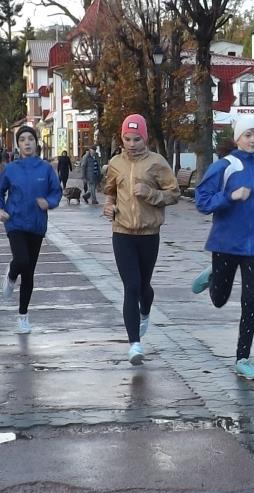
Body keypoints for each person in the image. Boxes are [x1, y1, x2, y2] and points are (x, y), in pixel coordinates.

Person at [192, 115, 254, 380]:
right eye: (247, 135)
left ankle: (243, 358)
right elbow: (202, 201)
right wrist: (230, 196)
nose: (252, 140)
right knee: (219, 300)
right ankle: (213, 274)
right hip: (226, 243)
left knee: (250, 301)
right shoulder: (225, 166)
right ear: (237, 137)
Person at [102, 114, 180, 364]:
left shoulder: (157, 163)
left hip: (148, 234)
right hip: (122, 232)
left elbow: (174, 194)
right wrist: (109, 207)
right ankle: (134, 345)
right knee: (131, 286)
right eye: (127, 139)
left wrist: (150, 193)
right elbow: (110, 192)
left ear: (144, 138)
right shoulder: (115, 163)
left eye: (136, 139)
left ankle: (145, 310)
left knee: (144, 287)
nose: (132, 144)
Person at [0, 126, 62, 334]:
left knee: (29, 272)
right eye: (22, 139)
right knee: (21, 260)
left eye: (30, 138)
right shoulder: (11, 169)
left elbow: (56, 191)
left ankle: (23, 316)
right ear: (18, 145)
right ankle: (11, 274)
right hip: (15, 222)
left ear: (36, 142)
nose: (27, 143)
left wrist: (49, 202)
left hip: (37, 224)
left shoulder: (45, 168)